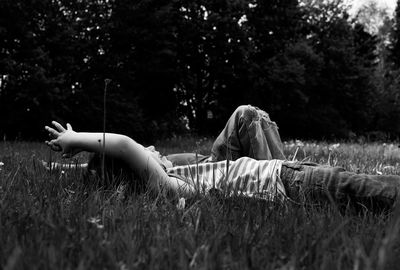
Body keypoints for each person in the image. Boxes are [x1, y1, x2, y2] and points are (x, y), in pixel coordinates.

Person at [44, 105, 400, 212]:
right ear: (144, 171)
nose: (151, 150)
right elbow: (123, 145)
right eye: (147, 154)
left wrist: (80, 151)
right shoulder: (170, 187)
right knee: (381, 193)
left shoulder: (182, 177)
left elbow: (119, 157)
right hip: (289, 181)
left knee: (375, 189)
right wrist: (77, 138)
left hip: (290, 174)